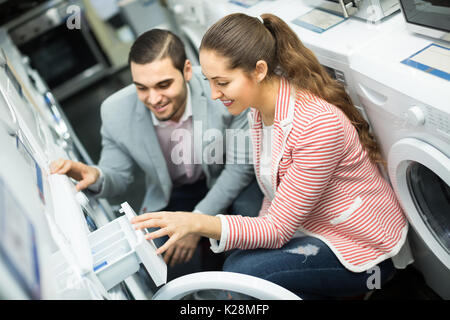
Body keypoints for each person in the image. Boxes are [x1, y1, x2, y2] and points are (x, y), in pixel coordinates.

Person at [131, 13, 411, 299]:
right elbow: (274, 196)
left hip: (360, 247)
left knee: (241, 277)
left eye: (222, 82)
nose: (214, 94)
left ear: (259, 70)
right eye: (209, 82)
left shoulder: (317, 125)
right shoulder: (259, 110)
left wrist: (196, 223)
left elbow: (276, 230)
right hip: (311, 228)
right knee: (237, 265)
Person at [50, 29, 263, 280]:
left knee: (241, 257)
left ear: (186, 71)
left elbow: (238, 169)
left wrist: (196, 224)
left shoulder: (221, 93)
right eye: (141, 87)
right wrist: (94, 175)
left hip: (225, 179)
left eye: (164, 85)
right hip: (172, 192)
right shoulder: (115, 111)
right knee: (152, 264)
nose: (153, 99)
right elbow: (118, 177)